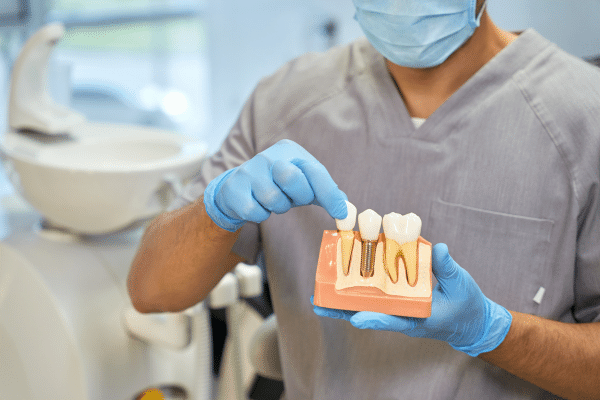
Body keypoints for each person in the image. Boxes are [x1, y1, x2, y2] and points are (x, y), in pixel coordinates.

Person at [127, 0, 600, 398]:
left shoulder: (583, 116)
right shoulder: (284, 102)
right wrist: (217, 212)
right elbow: (152, 291)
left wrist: (491, 331)